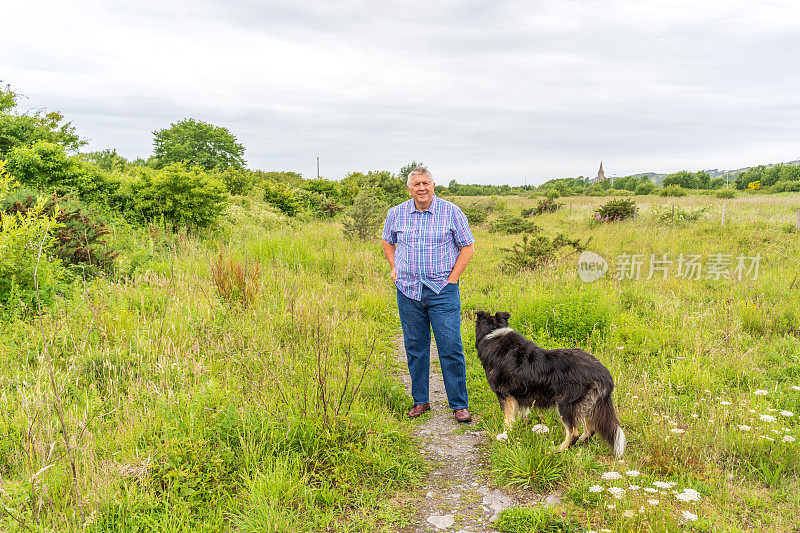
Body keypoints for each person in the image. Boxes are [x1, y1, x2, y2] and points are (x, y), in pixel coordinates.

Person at [381, 167, 476, 423]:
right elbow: (387, 241)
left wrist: (452, 278)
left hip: (442, 291)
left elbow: (468, 246)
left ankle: (459, 404)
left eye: (425, 183)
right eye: (416, 184)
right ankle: (420, 401)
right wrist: (394, 267)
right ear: (409, 189)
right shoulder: (396, 213)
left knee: (450, 346)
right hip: (408, 290)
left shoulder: (451, 211)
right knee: (415, 347)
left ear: (434, 185)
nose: (421, 188)